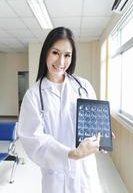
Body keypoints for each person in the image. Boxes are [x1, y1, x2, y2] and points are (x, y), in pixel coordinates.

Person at [18, 27, 105, 193]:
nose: (61, 62)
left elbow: (93, 123)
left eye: (67, 55)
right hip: (56, 179)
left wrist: (103, 134)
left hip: (85, 174)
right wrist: (71, 154)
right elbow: (35, 142)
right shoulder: (34, 96)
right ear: (46, 53)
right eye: (55, 53)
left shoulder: (83, 87)